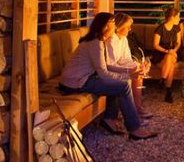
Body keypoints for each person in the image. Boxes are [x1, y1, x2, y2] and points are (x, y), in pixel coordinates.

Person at [59, 12, 157, 140]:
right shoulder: (95, 43)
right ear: (105, 27)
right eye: (112, 24)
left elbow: (106, 66)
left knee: (121, 83)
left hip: (85, 78)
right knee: (122, 86)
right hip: (74, 82)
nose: (115, 26)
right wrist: (128, 75)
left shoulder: (100, 41)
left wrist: (129, 73)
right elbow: (104, 74)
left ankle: (109, 119)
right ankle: (134, 128)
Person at [107, 13, 152, 121]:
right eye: (128, 26)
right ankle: (132, 111)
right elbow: (111, 64)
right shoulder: (111, 40)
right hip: (111, 70)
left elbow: (126, 59)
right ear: (119, 26)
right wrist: (130, 70)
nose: (130, 29)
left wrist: (138, 66)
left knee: (139, 72)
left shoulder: (123, 39)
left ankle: (137, 107)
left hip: (120, 67)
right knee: (133, 75)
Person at [151, 7, 182, 103]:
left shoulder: (177, 28)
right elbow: (155, 45)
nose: (179, 19)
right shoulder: (160, 29)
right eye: (178, 17)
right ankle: (168, 92)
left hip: (173, 53)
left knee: (170, 57)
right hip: (160, 54)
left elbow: (178, 43)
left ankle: (162, 80)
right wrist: (167, 51)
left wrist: (173, 51)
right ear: (172, 17)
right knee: (171, 64)